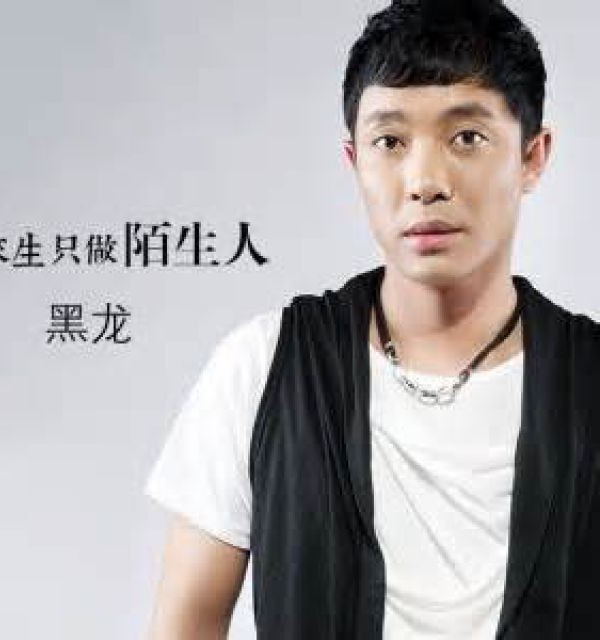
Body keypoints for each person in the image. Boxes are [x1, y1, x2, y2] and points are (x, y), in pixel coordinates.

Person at [143, 1, 600, 638]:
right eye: (390, 142)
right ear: (354, 159)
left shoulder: (588, 378)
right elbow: (184, 626)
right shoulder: (267, 368)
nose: (425, 181)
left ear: (533, 156)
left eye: (466, 138)